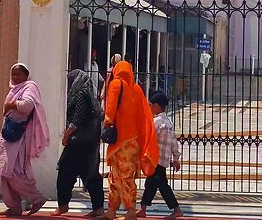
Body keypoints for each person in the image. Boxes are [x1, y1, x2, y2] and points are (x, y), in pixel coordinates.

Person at [0, 62, 51, 217]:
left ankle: (37, 198)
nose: (15, 77)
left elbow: (27, 105)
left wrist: (12, 104)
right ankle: (14, 206)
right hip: (9, 135)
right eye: (13, 74)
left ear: (26, 75)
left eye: (19, 74)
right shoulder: (15, 89)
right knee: (4, 171)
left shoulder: (30, 87)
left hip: (19, 138)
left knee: (13, 172)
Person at [102, 60, 159, 220]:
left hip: (120, 141)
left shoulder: (115, 85)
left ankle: (125, 211)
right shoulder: (137, 89)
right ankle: (117, 210)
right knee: (126, 176)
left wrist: (107, 123)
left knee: (116, 177)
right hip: (133, 142)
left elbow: (109, 113)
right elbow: (144, 115)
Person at [52, 69, 106, 218]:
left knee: (65, 171)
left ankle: (63, 205)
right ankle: (98, 208)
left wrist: (66, 135)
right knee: (90, 174)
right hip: (90, 142)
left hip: (78, 142)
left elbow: (77, 119)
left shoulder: (81, 94)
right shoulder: (90, 95)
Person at [138, 91, 183, 219]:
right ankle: (143, 209)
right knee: (150, 184)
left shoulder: (157, 121)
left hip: (156, 159)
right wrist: (176, 158)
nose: (150, 107)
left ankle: (176, 209)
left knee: (162, 186)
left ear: (157, 106)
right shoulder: (168, 122)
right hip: (162, 160)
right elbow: (174, 142)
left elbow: (147, 136)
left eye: (151, 105)